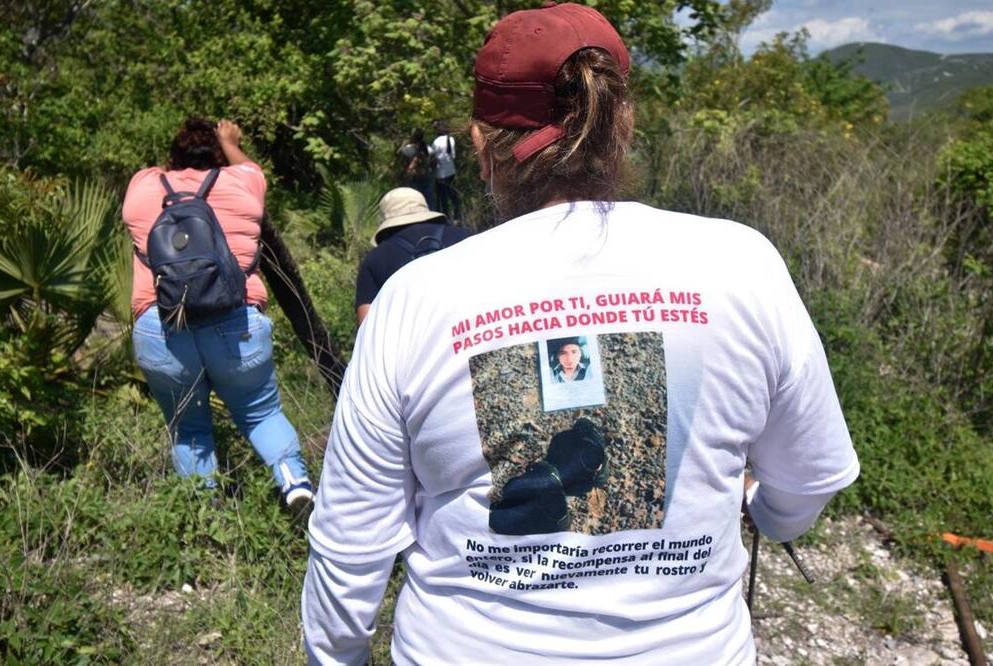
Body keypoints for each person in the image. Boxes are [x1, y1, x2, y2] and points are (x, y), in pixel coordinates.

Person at [302, 4, 858, 664]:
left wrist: (334, 657)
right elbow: (808, 477)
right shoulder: (742, 263)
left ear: (480, 145)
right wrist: (771, 516)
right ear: (623, 122)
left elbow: (352, 540)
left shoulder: (414, 299)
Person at [123, 117, 313, 513]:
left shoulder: (144, 188)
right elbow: (252, 170)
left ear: (172, 157)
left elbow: (150, 177)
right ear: (219, 155)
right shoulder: (243, 183)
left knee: (189, 428)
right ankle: (294, 482)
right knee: (261, 412)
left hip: (162, 326)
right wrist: (230, 141)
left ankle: (204, 513)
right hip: (236, 323)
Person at [354, 187, 472, 324]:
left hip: (419, 343)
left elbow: (367, 324)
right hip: (474, 333)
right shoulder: (465, 236)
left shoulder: (374, 260)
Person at [398, 129, 437, 211]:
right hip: (426, 175)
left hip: (414, 177)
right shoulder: (429, 149)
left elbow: (403, 163)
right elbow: (434, 164)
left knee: (415, 197)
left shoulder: (407, 149)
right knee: (428, 198)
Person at [431, 119, 461, 221]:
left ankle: (446, 217)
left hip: (441, 174)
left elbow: (435, 159)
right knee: (453, 194)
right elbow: (453, 156)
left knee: (443, 197)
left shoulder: (436, 142)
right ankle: (458, 214)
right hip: (451, 171)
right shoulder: (451, 139)